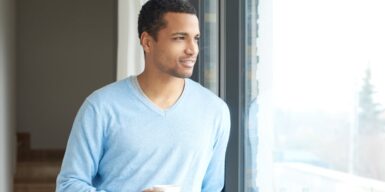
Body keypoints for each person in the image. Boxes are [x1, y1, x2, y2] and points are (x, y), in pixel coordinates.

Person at [55, 0, 231, 191]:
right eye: (180, 38)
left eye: (196, 38)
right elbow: (68, 185)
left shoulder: (215, 110)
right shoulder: (101, 107)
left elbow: (212, 187)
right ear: (147, 42)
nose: (193, 49)